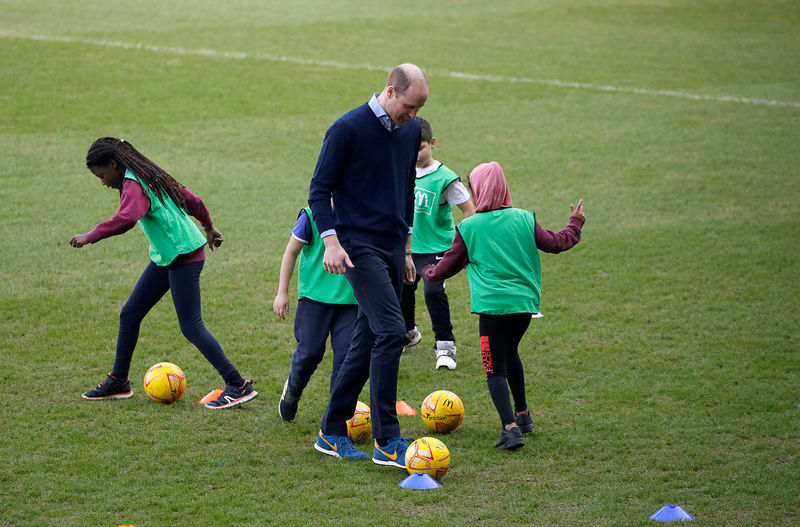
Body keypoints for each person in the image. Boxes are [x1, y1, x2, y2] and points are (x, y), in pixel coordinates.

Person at [71, 137, 258, 409]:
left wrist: (90, 236)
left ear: (114, 164)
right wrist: (208, 226)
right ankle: (119, 381)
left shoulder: (134, 183)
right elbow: (192, 199)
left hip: (184, 256)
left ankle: (238, 385)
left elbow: (127, 218)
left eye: (101, 175)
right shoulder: (148, 173)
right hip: (168, 256)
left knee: (192, 327)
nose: (102, 182)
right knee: (130, 314)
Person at [308, 63, 428, 466]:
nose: (414, 117)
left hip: (393, 246)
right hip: (358, 246)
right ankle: (387, 439)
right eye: (409, 107)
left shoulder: (411, 131)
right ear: (390, 91)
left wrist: (408, 248)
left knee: (366, 339)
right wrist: (330, 242)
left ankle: (330, 431)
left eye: (419, 109)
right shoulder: (347, 129)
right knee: (392, 332)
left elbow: (407, 188)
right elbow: (318, 190)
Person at [422, 161, 585, 449]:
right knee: (510, 354)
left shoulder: (469, 227)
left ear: (479, 190)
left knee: (493, 368)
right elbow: (556, 243)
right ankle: (523, 416)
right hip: (524, 307)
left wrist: (427, 271)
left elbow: (447, 266)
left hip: (493, 310)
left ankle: (510, 429)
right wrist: (575, 224)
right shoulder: (524, 218)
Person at [399, 117, 475, 369]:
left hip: (437, 248)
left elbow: (468, 210)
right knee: (403, 289)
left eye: (420, 147)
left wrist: (461, 242)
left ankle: (445, 345)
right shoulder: (401, 169)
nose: (415, 153)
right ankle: (408, 333)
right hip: (409, 248)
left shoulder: (445, 178)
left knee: (433, 292)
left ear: (432, 144)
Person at [273, 205, 358, 421]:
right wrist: (282, 293)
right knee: (309, 353)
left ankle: (335, 418)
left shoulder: (362, 211)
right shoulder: (310, 216)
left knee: (346, 359)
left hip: (351, 301)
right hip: (314, 299)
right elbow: (291, 251)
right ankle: (292, 390)